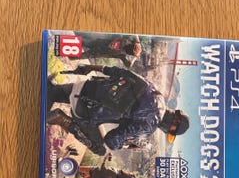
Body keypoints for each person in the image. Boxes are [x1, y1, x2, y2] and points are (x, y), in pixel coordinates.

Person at [46, 63, 189, 155]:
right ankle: (62, 119)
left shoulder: (157, 93)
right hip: (83, 110)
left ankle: (53, 89)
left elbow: (123, 72)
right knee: (101, 149)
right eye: (170, 132)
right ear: (171, 125)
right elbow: (111, 140)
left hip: (85, 86)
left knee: (61, 93)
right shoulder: (149, 126)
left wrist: (91, 67)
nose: (166, 132)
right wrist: (127, 145)